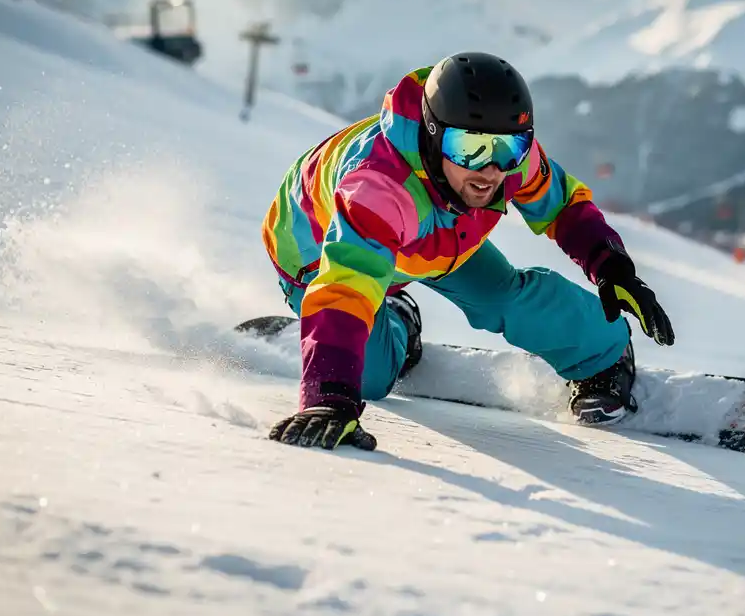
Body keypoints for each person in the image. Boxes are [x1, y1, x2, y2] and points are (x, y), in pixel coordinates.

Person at [262, 52, 675, 451]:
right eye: (468, 148)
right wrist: (328, 396)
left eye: (507, 148)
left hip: (437, 235)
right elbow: (345, 285)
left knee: (503, 295)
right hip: (317, 254)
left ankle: (602, 350)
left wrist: (610, 264)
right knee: (369, 378)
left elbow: (564, 206)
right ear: (432, 132)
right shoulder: (379, 188)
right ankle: (398, 322)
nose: (489, 170)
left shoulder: (507, 160)